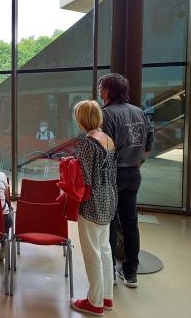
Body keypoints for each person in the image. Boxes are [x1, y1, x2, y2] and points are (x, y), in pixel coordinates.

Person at [98, 73, 154, 288]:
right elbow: (149, 140)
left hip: (113, 175)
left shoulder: (106, 115)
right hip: (133, 174)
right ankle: (131, 273)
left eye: (101, 87)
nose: (99, 91)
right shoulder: (139, 112)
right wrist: (139, 162)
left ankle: (110, 271)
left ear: (109, 90)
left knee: (110, 223)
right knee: (130, 223)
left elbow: (106, 151)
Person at [71, 100, 117, 317]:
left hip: (92, 202)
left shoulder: (87, 143)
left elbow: (85, 179)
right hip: (109, 196)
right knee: (105, 250)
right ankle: (107, 297)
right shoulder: (108, 139)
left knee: (92, 254)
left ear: (82, 119)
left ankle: (94, 302)